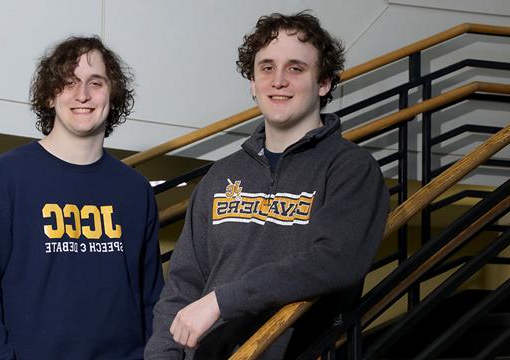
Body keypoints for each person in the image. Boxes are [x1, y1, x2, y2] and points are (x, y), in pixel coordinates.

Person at [145, 11, 389, 359]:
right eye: (267, 67)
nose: (278, 81)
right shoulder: (221, 176)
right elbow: (184, 285)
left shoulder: (350, 169)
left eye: (295, 68)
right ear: (252, 82)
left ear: (324, 83)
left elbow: (334, 261)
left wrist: (222, 301)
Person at [0, 36, 163, 359]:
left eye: (96, 82)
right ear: (50, 96)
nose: (83, 94)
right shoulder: (7, 177)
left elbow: (152, 299)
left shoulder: (135, 190)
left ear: (112, 94)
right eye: (69, 82)